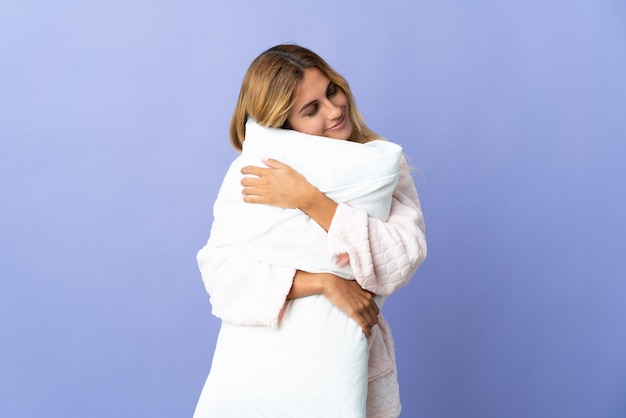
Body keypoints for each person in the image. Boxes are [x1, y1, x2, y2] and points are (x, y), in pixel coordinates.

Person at [194, 44, 427, 418]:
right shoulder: (252, 175)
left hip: (344, 368)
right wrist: (323, 282)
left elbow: (401, 258)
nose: (335, 110)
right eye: (311, 109)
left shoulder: (379, 164)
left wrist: (309, 199)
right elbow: (221, 274)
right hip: (258, 372)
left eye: (331, 91)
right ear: (283, 126)